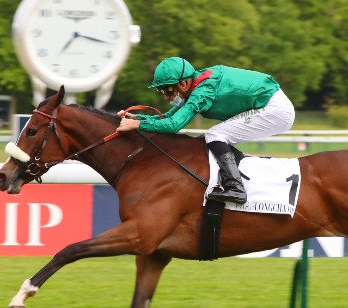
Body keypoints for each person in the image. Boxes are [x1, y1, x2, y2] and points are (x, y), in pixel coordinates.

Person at [116, 57, 295, 204]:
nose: (166, 96)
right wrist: (138, 119)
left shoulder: (203, 90)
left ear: (183, 84)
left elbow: (173, 125)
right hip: (266, 104)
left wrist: (137, 126)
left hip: (274, 110)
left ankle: (236, 188)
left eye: (168, 90)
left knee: (215, 135)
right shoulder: (196, 85)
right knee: (210, 138)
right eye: (161, 91)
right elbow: (167, 118)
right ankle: (228, 181)